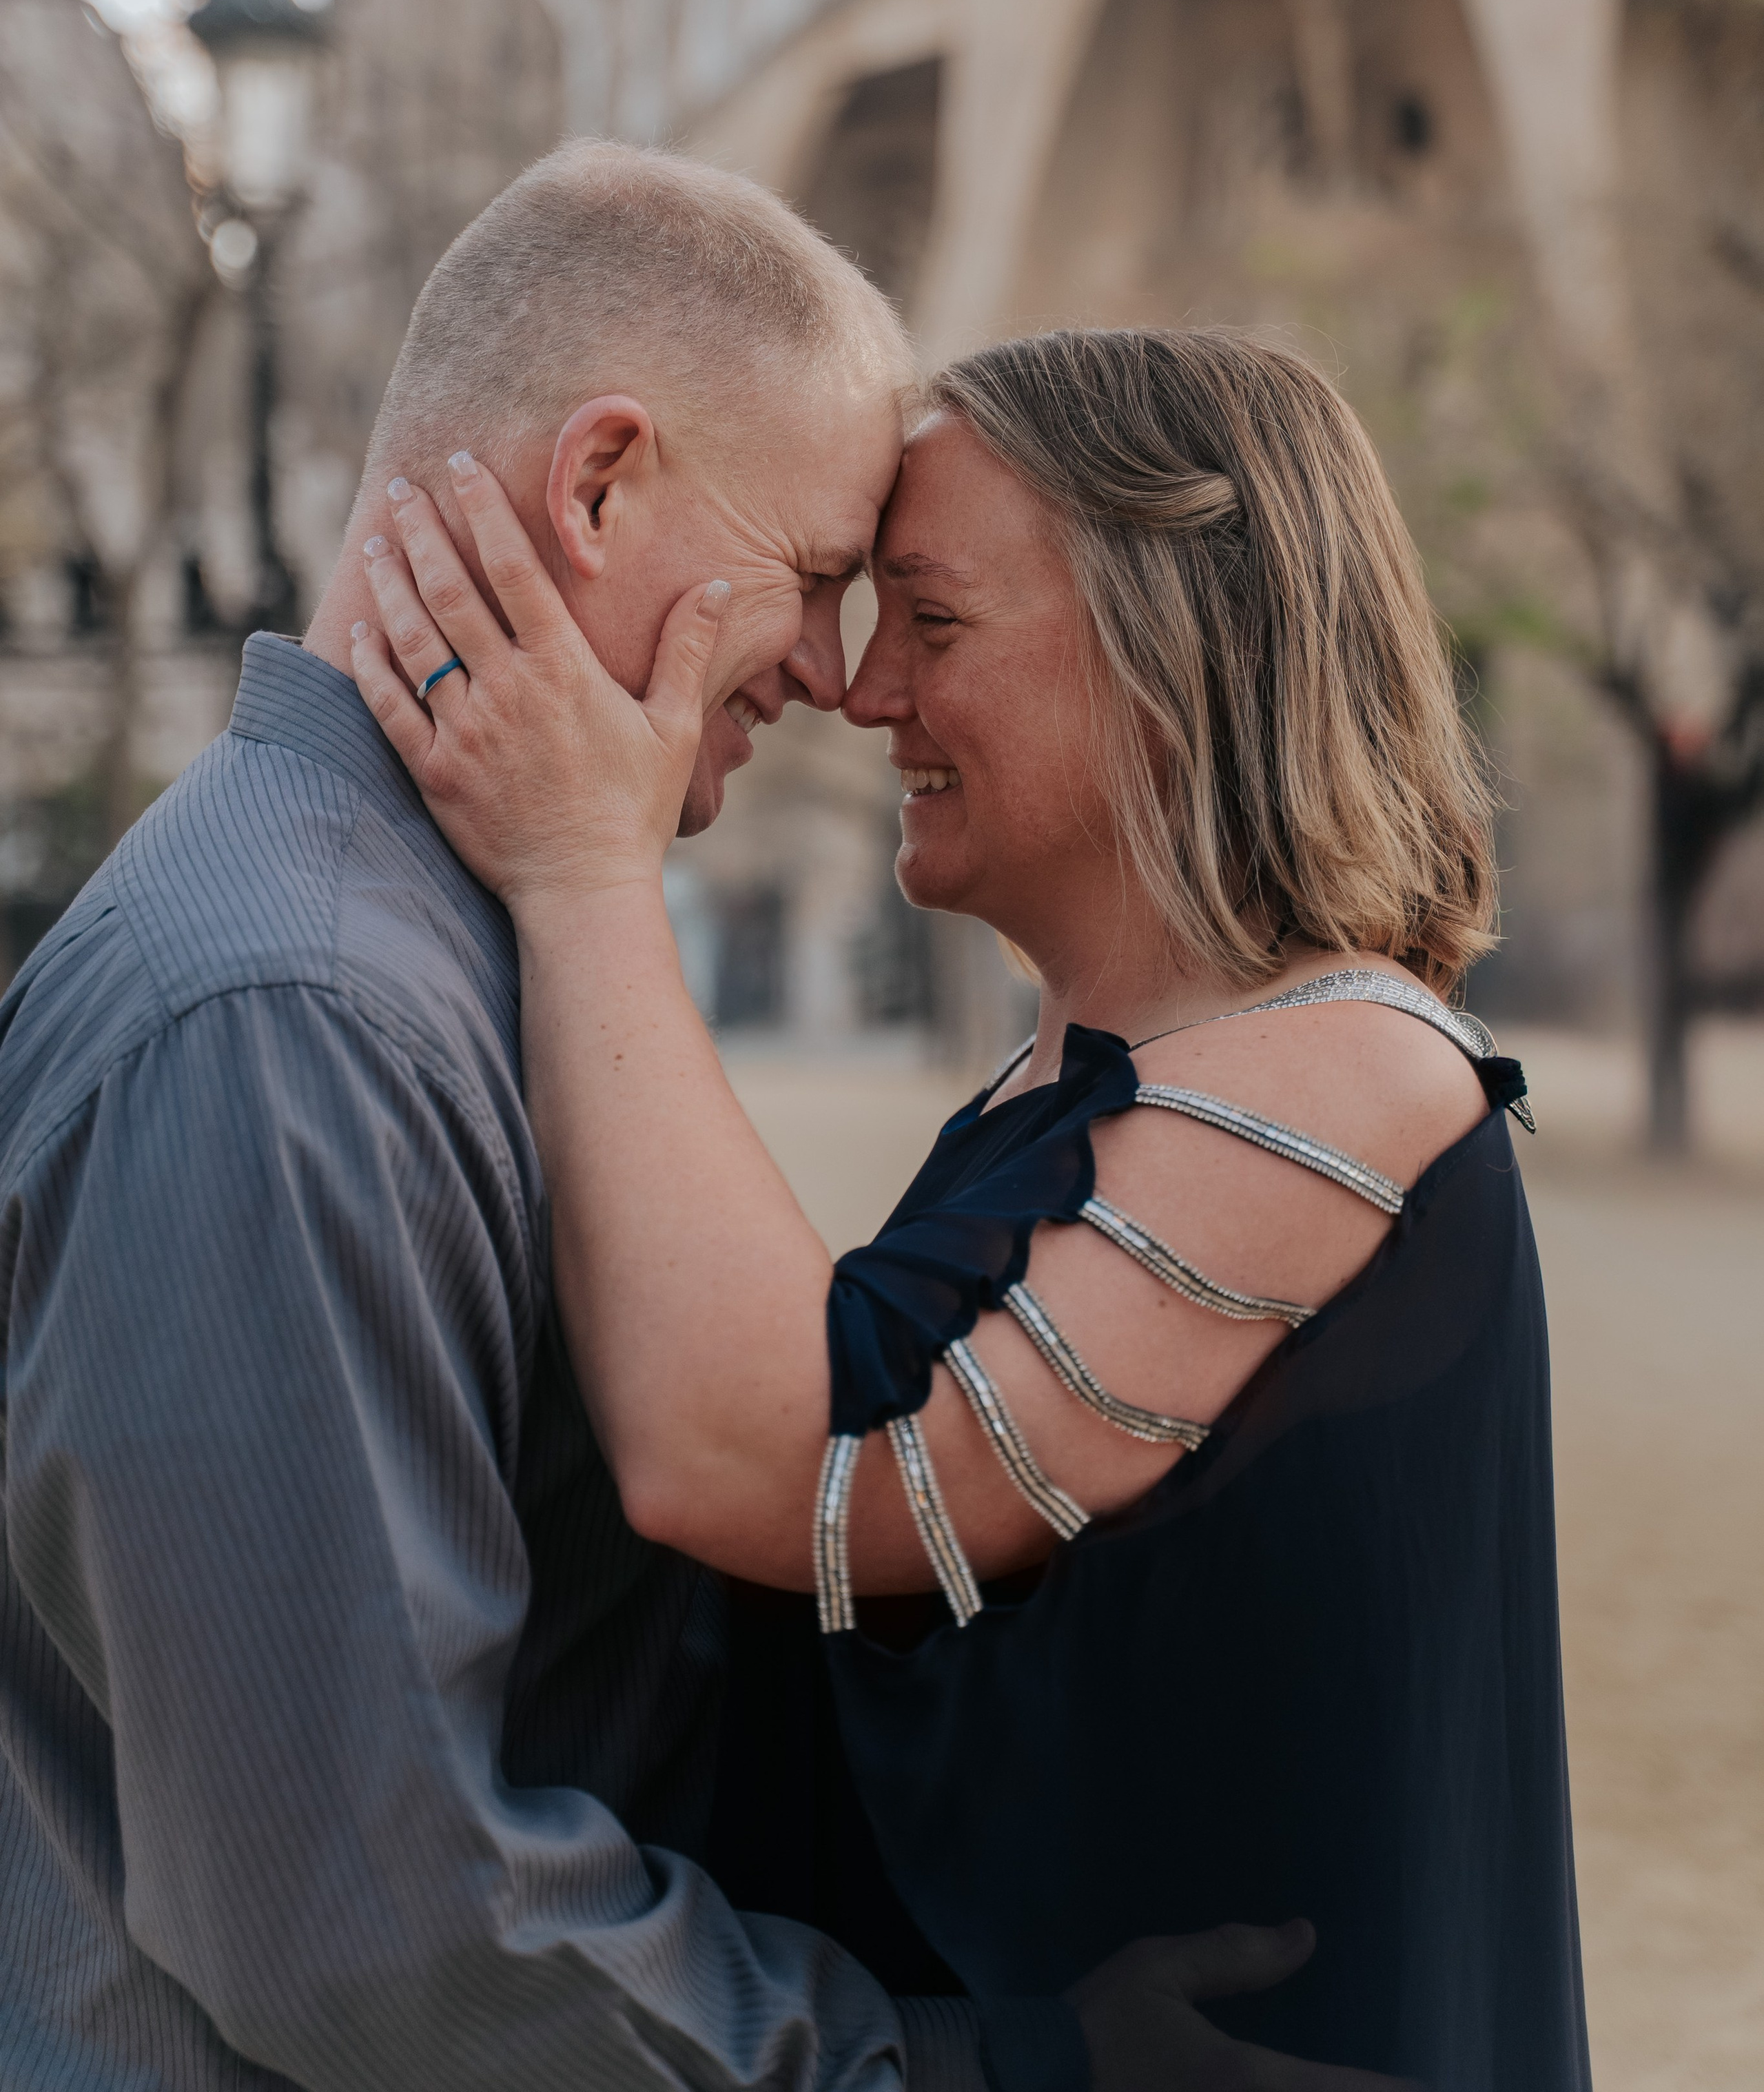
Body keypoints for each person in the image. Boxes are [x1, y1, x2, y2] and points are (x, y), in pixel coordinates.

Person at [0, 148, 1380, 2092]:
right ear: (597, 487)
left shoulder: (440, 959)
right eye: (815, 578)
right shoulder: (294, 1019)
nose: (832, 674)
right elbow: (370, 1922)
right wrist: (974, 2070)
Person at [351, 322, 1592, 2092]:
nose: (863, 694)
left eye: (930, 622)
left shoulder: (1353, 1071)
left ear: (1176, 655)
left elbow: (754, 1463)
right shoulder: (1063, 1080)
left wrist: (580, 864)